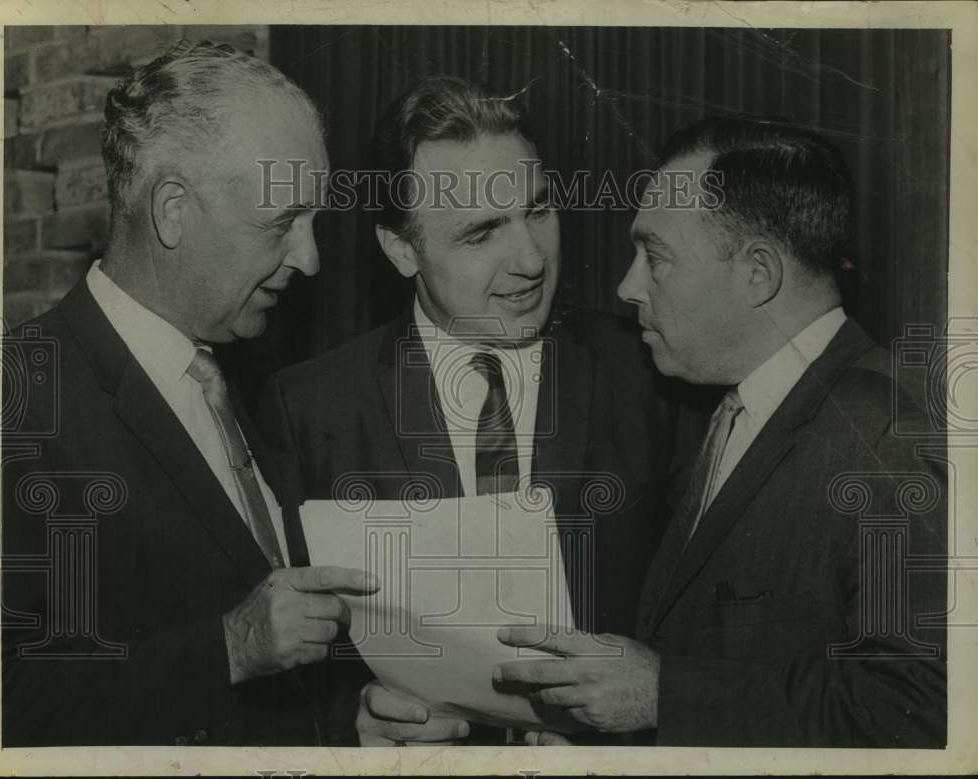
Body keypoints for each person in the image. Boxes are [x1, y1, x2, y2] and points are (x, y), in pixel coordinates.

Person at [257, 76, 702, 746]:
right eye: (482, 231)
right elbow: (285, 667)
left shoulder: (650, 370)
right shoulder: (310, 406)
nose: (529, 259)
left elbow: (710, 622)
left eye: (539, 210)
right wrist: (354, 719)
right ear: (401, 249)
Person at [495, 116, 947, 747]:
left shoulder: (889, 433)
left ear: (758, 274)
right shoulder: (736, 408)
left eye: (655, 258)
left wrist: (662, 695)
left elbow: (924, 714)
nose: (628, 287)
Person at [0, 41, 376, 747]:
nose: (310, 257)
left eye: (315, 220)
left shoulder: (231, 383)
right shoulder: (19, 395)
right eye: (283, 223)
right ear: (172, 210)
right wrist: (228, 648)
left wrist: (347, 729)